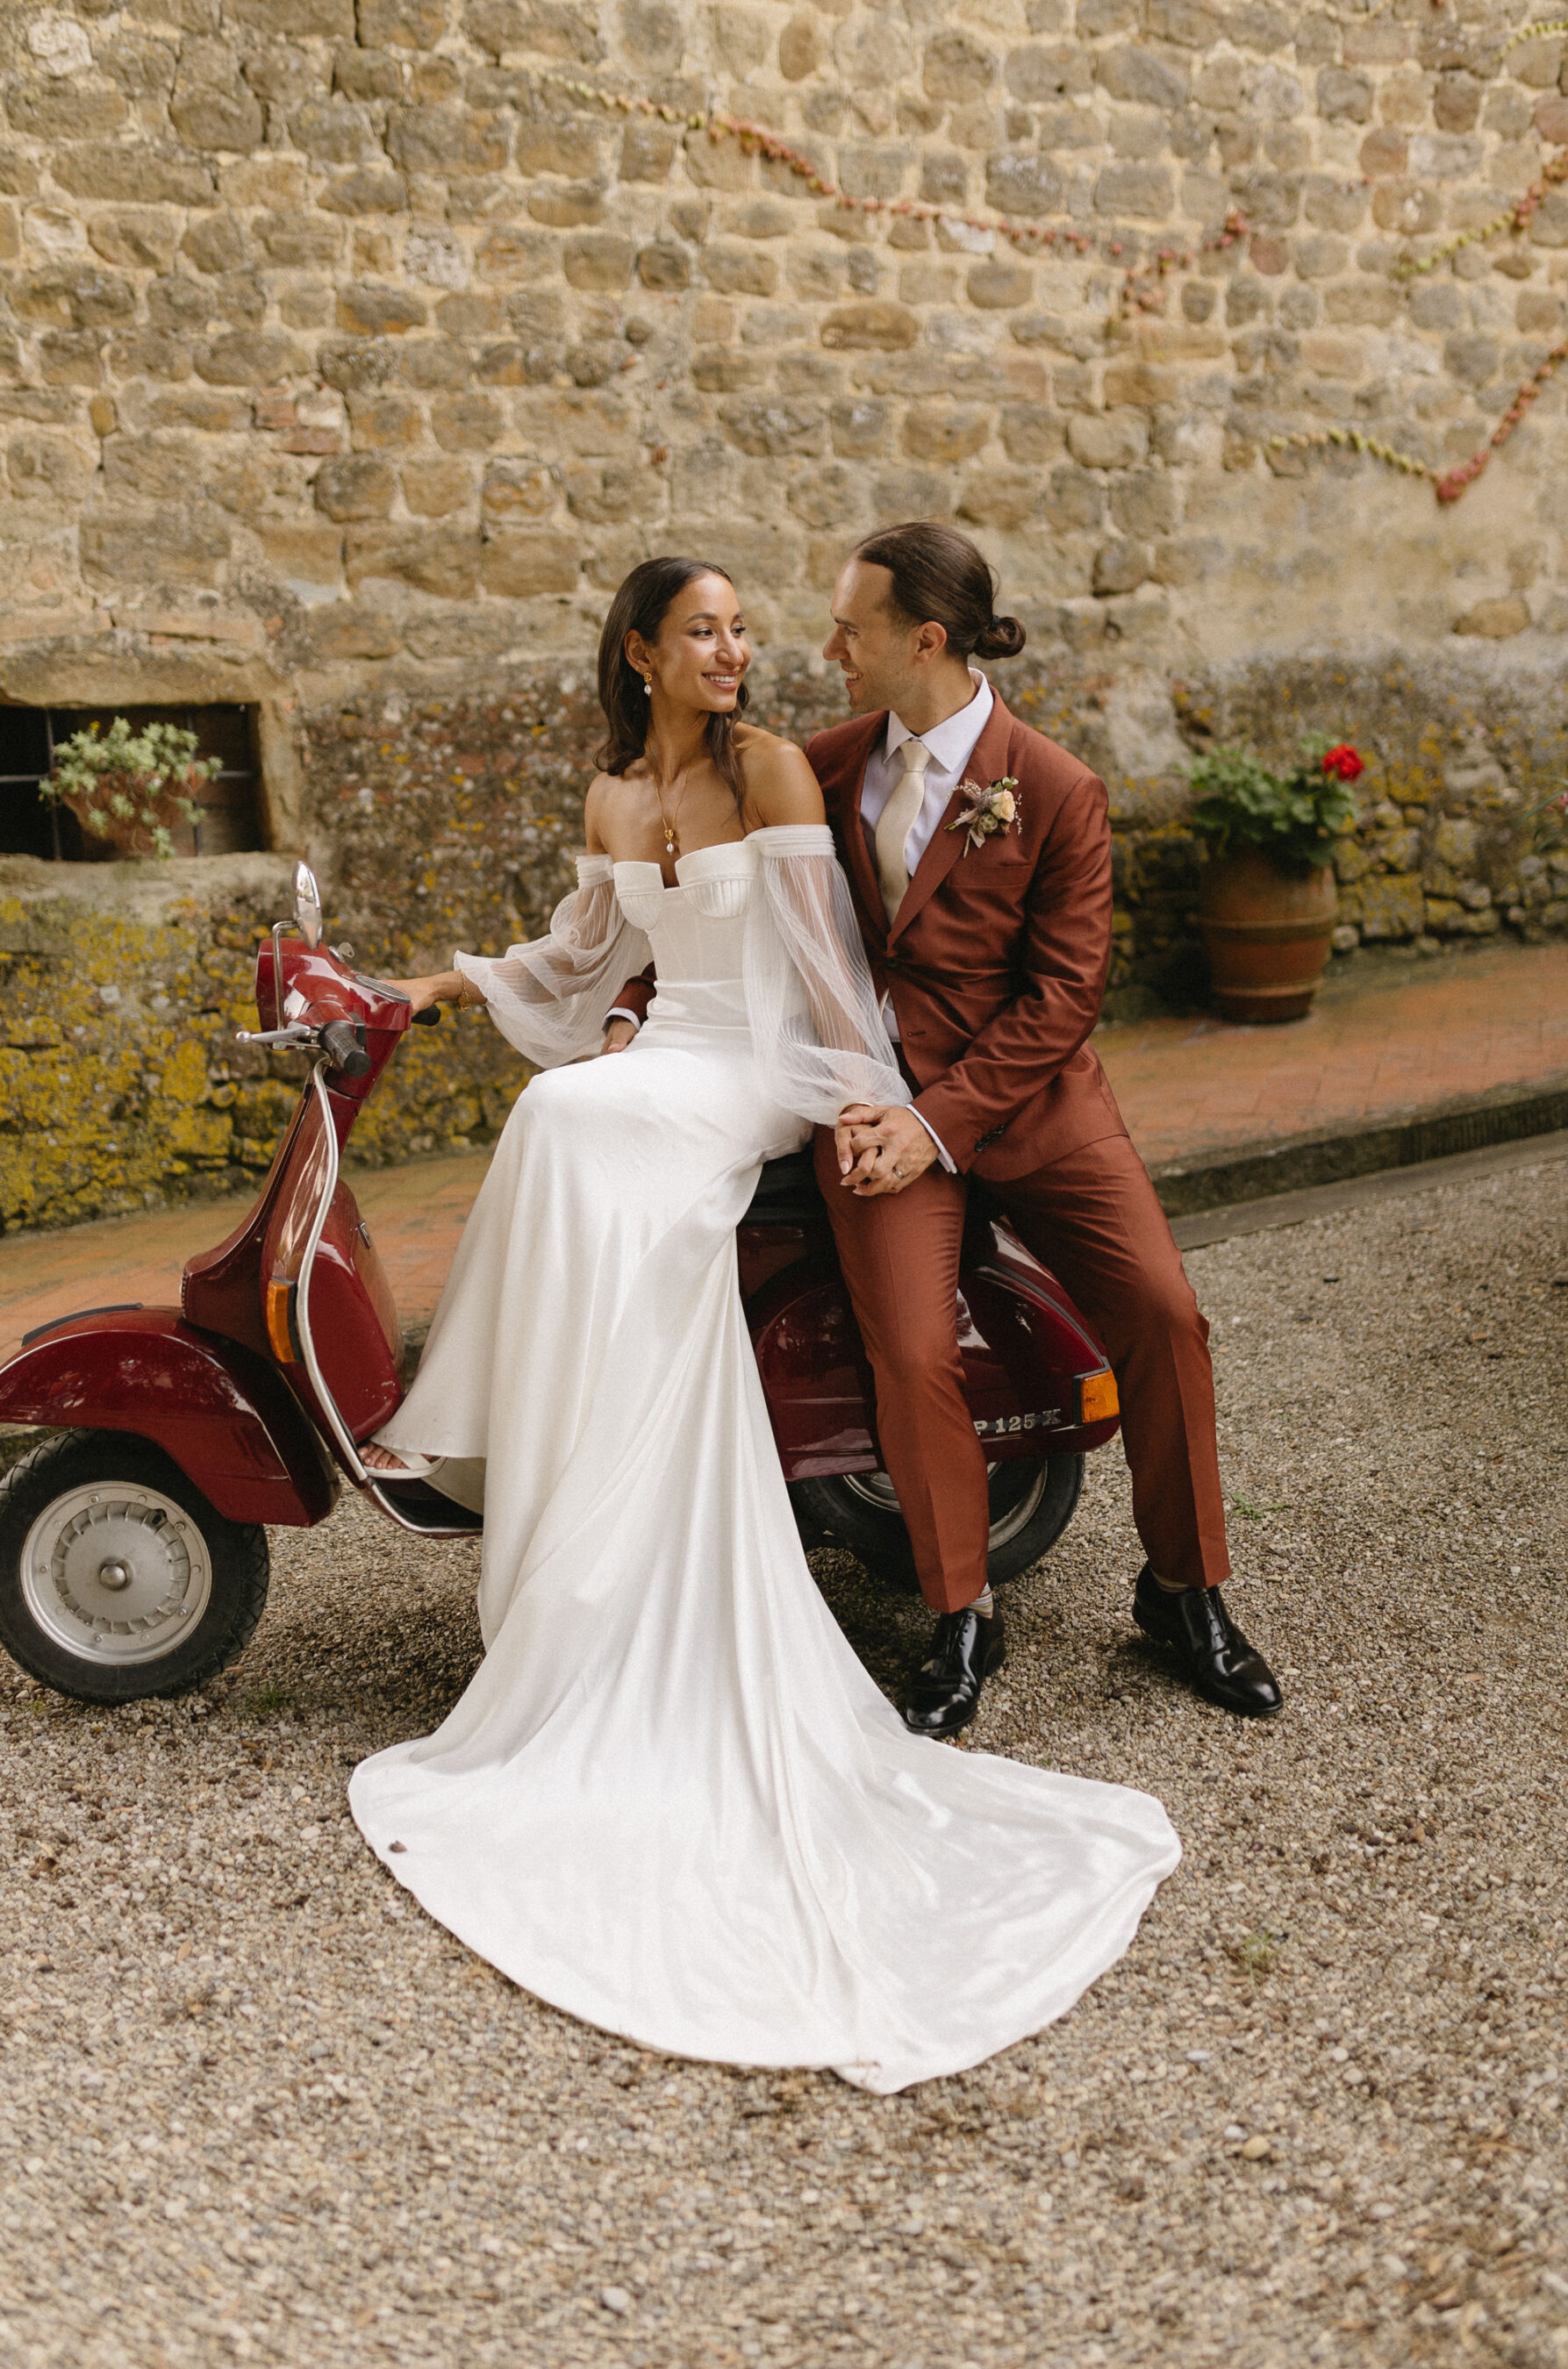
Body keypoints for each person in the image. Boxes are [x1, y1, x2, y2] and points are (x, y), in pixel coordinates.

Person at [347, 554, 1178, 2093]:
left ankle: (535, 1474)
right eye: (708, 632)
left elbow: (825, 974)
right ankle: (558, 1478)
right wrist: (422, 988)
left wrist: (876, 1108)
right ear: (643, 653)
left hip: (750, 1071)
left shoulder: (781, 764)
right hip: (663, 1050)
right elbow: (582, 961)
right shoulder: (612, 797)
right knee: (555, 1118)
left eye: (747, 629)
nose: (742, 650)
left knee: (582, 1133)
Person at [619, 523, 1281, 1742]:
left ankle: (1186, 1593)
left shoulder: (1061, 788)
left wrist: (942, 1122)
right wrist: (630, 1006)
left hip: (1035, 1111)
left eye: (847, 630)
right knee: (914, 1355)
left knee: (1165, 1311)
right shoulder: (812, 765)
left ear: (920, 640)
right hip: (866, 1110)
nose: (824, 649)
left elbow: (1064, 999)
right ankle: (961, 1614)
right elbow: (700, 903)